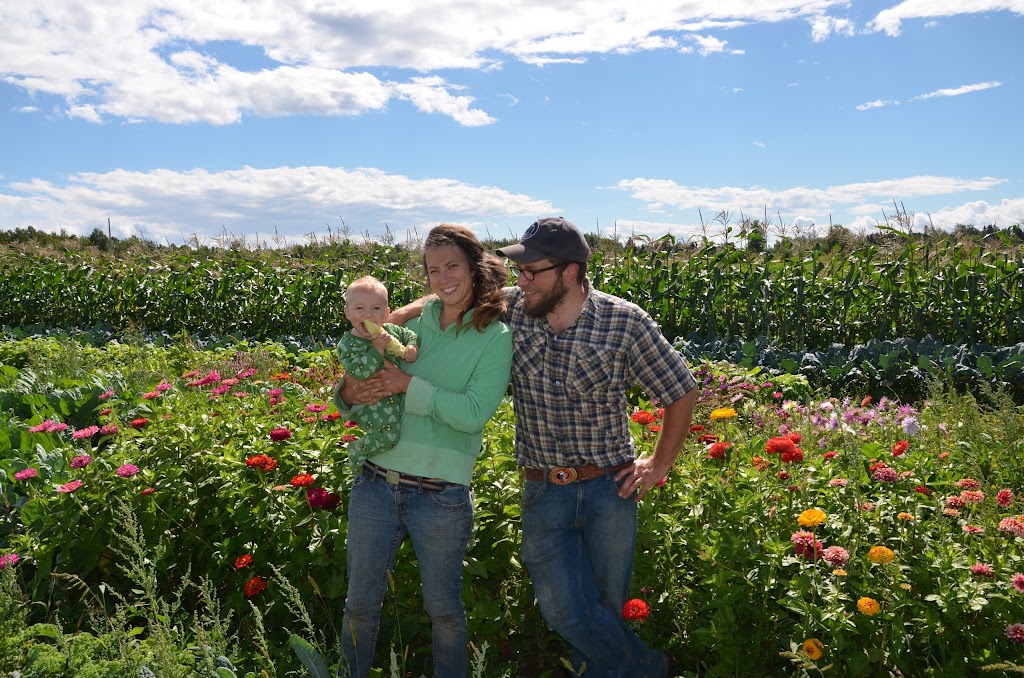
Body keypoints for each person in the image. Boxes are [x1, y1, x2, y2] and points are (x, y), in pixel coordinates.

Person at [387, 217, 697, 677]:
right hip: (543, 490)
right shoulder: (513, 309)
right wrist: (396, 318)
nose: (521, 281)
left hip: (608, 488)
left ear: (569, 272)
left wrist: (659, 463)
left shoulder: (623, 321)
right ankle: (651, 668)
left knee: (605, 609)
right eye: (519, 271)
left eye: (533, 271)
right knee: (564, 612)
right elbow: (448, 289)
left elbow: (680, 390)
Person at [331, 224, 513, 678]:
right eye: (433, 269)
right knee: (359, 606)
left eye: (452, 265)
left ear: (473, 267)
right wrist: (349, 393)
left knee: (445, 612)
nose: (443, 277)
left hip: (441, 494)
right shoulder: (412, 319)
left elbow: (472, 414)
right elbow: (358, 382)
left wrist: (408, 385)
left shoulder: (495, 337)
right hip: (375, 482)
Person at [337, 275, 419, 471]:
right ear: (347, 312)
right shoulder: (347, 344)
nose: (368, 315)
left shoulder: (391, 330)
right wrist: (377, 349)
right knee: (387, 438)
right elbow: (359, 371)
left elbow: (410, 335)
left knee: (400, 433)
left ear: (387, 312)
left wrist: (411, 346)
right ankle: (357, 450)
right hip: (372, 405)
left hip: (393, 401)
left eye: (376, 308)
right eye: (360, 308)